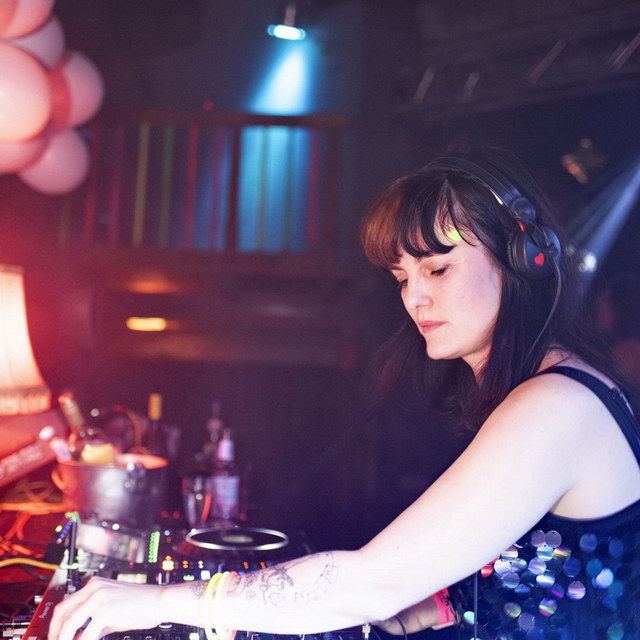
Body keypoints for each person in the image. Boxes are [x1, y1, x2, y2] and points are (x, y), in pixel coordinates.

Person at [49, 148, 640, 640]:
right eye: (402, 277)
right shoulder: (544, 394)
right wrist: (415, 610)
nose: (414, 298)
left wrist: (157, 601)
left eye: (437, 269)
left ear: (521, 262)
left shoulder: (555, 408)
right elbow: (531, 575)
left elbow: (369, 583)